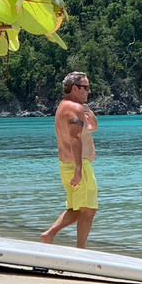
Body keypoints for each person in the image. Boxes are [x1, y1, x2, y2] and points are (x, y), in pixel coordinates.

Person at [41, 72, 98, 248]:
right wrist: (79, 168)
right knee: (88, 210)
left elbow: (91, 127)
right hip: (78, 164)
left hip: (65, 164)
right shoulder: (75, 108)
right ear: (74, 88)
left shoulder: (63, 106)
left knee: (76, 209)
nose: (88, 91)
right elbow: (75, 138)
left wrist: (91, 114)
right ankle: (81, 248)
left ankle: (49, 235)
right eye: (85, 87)